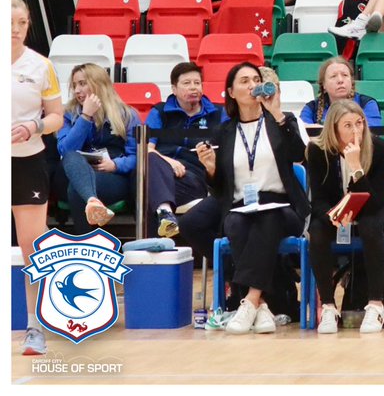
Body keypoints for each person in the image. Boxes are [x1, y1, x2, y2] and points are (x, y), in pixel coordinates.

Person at [195, 63, 309, 335]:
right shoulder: (224, 132)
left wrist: (278, 113)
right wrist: (210, 169)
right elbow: (221, 189)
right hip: (241, 207)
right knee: (234, 224)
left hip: (282, 207)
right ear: (231, 92)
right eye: (244, 80)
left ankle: (249, 299)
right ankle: (263, 306)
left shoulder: (280, 120)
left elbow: (299, 155)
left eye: (255, 79)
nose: (251, 85)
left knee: (267, 218)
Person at [307, 100, 384, 334]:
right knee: (317, 230)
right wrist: (332, 216)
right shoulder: (318, 152)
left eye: (359, 123)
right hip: (339, 214)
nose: (355, 130)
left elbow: (374, 204)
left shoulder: (380, 149)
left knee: (370, 224)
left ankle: (375, 305)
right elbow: (317, 199)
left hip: (381, 212)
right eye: (347, 125)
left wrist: (356, 167)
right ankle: (328, 307)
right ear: (334, 128)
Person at [11, 0, 65, 356]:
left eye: (22, 23)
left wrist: (34, 125)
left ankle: (35, 326)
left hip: (27, 162)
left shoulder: (41, 66)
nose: (15, 30)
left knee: (33, 246)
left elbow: (57, 117)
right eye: (9, 22)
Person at [144, 61, 226, 243]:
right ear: (174, 88)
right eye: (187, 83)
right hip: (160, 170)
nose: (193, 88)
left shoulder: (219, 114)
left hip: (192, 178)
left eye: (197, 83)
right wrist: (169, 162)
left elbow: (228, 150)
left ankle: (154, 250)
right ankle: (165, 213)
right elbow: (147, 148)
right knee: (149, 162)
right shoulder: (160, 112)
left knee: (147, 192)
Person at [53, 63, 138, 233]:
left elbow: (137, 156)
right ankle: (92, 200)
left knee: (77, 189)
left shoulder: (127, 114)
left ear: (99, 84)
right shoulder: (68, 114)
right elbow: (65, 149)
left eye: (83, 83)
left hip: (110, 175)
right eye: (74, 85)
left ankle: (86, 242)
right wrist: (86, 116)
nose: (77, 90)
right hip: (71, 171)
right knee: (72, 159)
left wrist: (115, 165)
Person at [300, 57, 383, 127]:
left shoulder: (367, 104)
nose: (340, 80)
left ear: (351, 81)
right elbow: (304, 134)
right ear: (323, 84)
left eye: (345, 75)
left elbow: (371, 136)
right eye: (333, 76)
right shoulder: (311, 108)